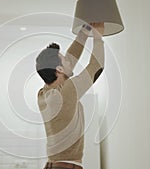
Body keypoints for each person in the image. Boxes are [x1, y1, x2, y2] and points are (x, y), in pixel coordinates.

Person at [35, 23, 105, 169]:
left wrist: (85, 31)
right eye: (64, 60)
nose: (69, 61)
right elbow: (96, 66)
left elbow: (70, 59)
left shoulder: (44, 93)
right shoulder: (65, 92)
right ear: (59, 69)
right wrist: (98, 37)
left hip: (54, 164)